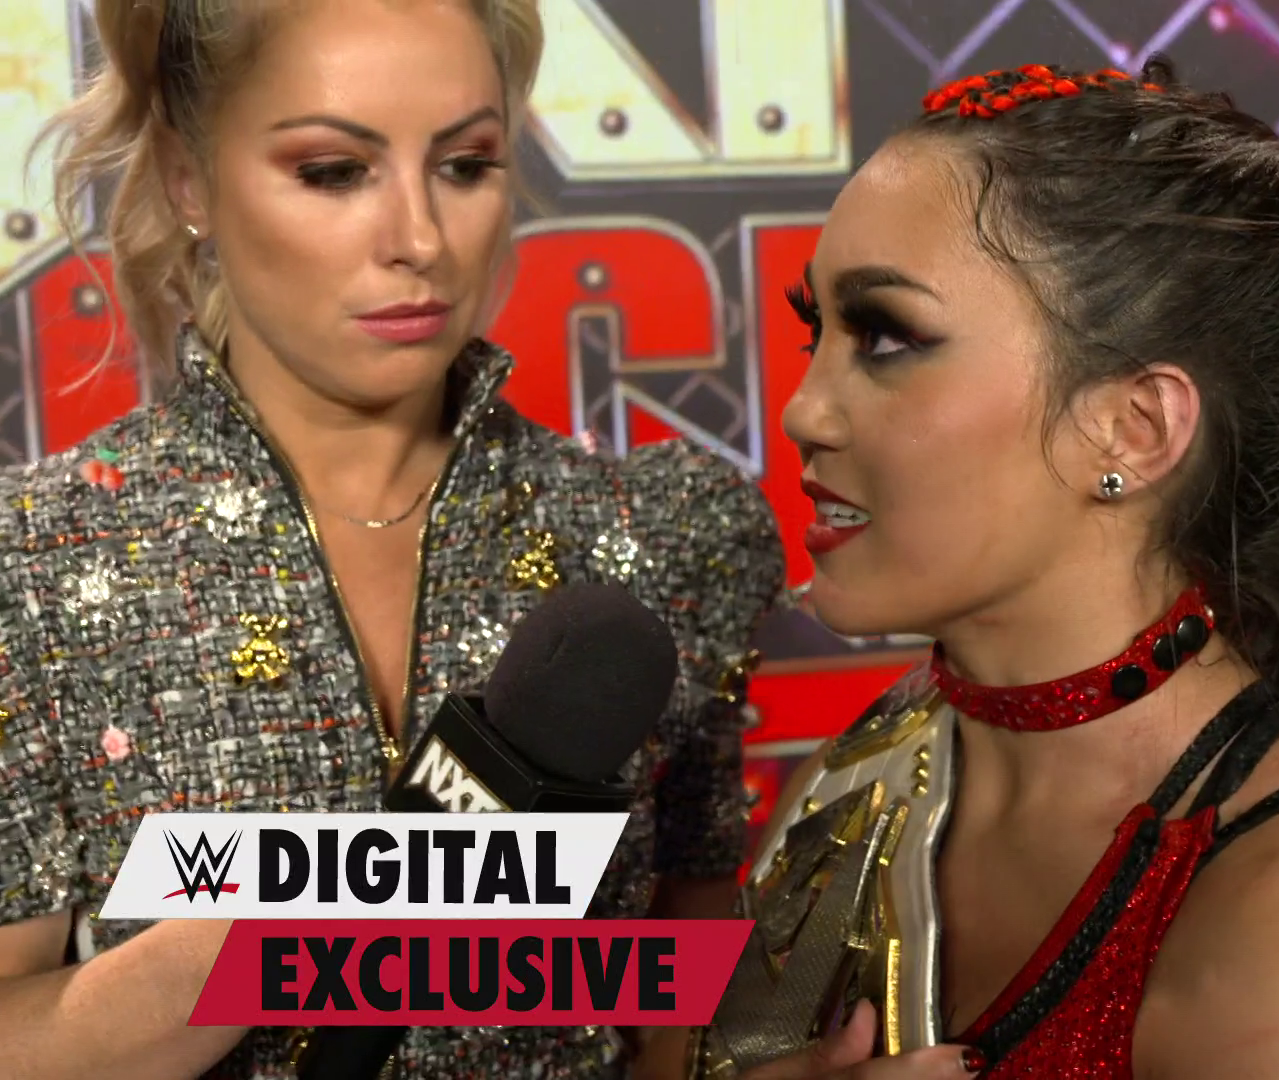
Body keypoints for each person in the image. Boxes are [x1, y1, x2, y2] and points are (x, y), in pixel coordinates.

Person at [0, 2, 783, 1078]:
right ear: (189, 180)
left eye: (465, 165)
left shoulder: (662, 535)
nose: (420, 239)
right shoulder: (34, 566)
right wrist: (269, 950)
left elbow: (682, 993)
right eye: (334, 171)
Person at [675, 58, 1279, 1079]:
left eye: (885, 338)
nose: (803, 412)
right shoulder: (847, 789)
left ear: (1132, 429)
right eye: (816, 333)